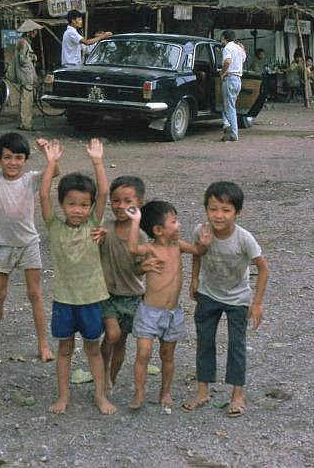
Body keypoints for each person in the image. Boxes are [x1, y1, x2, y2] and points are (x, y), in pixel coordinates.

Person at [39, 138, 116, 415]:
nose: (77, 210)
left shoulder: (94, 225)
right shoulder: (54, 226)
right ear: (62, 205)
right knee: (65, 349)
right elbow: (43, 195)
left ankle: (100, 395)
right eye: (71, 203)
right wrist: (51, 164)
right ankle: (63, 396)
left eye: (84, 205)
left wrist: (97, 161)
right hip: (64, 300)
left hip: (92, 298)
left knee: (93, 350)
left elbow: (104, 193)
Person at [0, 128, 55, 362]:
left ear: (25, 160)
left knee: (35, 294)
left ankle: (44, 345)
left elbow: (54, 172)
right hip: (1, 244)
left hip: (28, 244)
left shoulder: (31, 179)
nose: (13, 162)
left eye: (18, 158)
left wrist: (48, 154)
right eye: (7, 157)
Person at [182, 181, 269, 418]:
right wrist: (194, 280)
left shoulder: (244, 239)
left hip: (238, 299)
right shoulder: (202, 231)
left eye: (226, 210)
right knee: (205, 341)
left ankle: (237, 395)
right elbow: (197, 254)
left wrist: (257, 303)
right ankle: (202, 391)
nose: (218, 215)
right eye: (213, 209)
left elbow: (263, 268)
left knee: (236, 346)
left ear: (237, 213)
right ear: (206, 209)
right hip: (209, 294)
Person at [125, 201, 209, 410]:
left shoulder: (178, 246)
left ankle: (166, 392)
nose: (179, 224)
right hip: (149, 312)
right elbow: (133, 248)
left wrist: (205, 242)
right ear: (158, 230)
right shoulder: (150, 249)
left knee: (167, 354)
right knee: (143, 353)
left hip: (172, 313)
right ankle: (139, 393)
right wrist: (135, 222)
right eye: (174, 221)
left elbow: (198, 251)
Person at [98, 176, 153, 389]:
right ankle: (101, 374)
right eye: (116, 200)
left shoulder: (140, 236)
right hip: (107, 294)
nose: (121, 206)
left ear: (139, 203)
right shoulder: (105, 227)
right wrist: (97, 241)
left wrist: (145, 267)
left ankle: (110, 378)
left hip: (132, 296)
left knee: (120, 341)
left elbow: (138, 269)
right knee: (112, 334)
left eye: (127, 201)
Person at [219, 30, 246, 142]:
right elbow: (244, 58)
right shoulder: (238, 48)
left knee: (229, 107)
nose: (221, 40)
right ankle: (226, 126)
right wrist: (243, 48)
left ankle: (234, 133)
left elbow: (227, 61)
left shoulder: (227, 48)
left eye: (221, 38)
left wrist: (223, 72)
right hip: (238, 79)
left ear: (224, 38)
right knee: (228, 105)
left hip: (230, 78)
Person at [10, 27, 39, 131]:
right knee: (26, 100)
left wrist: (31, 56)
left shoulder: (24, 42)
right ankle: (26, 124)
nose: (35, 33)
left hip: (26, 75)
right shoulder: (23, 43)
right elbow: (23, 60)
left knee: (25, 99)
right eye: (34, 31)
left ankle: (24, 123)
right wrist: (32, 57)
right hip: (25, 75)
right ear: (28, 32)